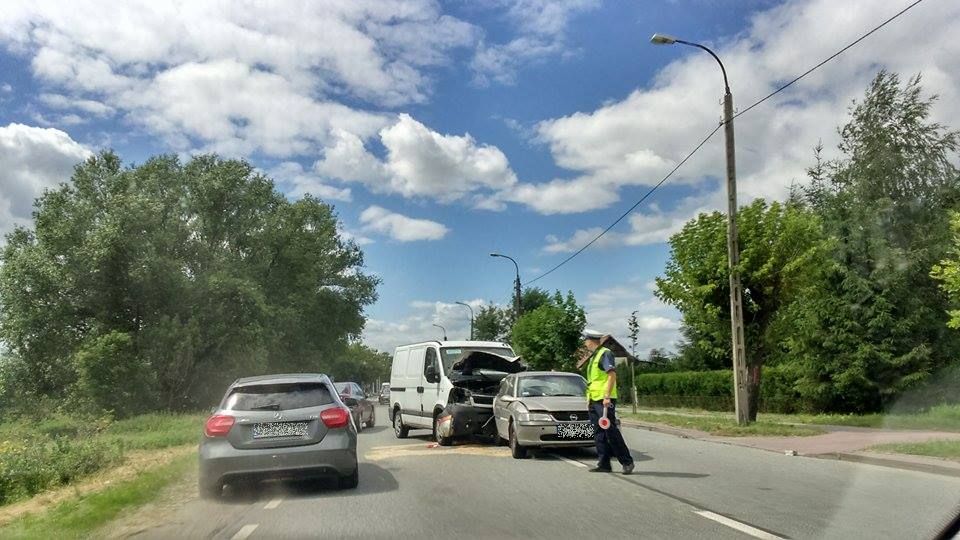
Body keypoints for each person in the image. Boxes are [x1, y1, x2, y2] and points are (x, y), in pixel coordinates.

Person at [579, 329, 634, 474]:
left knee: (610, 431)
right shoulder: (594, 356)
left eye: (586, 341)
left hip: (603, 400)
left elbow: (611, 375)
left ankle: (627, 461)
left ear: (591, 341)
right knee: (598, 433)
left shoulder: (605, 353)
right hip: (594, 399)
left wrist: (607, 396)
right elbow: (593, 381)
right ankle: (604, 463)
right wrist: (589, 400)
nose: (585, 343)